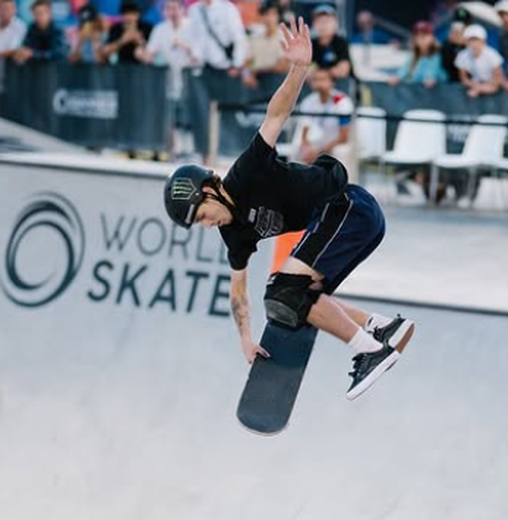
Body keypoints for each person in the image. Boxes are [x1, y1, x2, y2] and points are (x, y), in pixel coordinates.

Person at [162, 18, 415, 401]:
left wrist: (299, 67)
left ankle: (370, 351)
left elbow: (276, 116)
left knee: (285, 292)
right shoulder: (234, 234)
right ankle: (380, 327)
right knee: (294, 297)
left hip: (347, 207)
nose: (206, 224)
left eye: (201, 214)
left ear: (211, 189)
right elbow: (238, 293)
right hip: (344, 225)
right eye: (198, 224)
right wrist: (245, 339)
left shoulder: (246, 172)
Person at [298, 67, 353, 166]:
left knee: (341, 151)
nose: (319, 83)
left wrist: (320, 151)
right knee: (298, 149)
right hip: (315, 143)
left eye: (323, 79)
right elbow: (304, 132)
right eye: (316, 80)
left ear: (332, 82)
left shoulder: (342, 101)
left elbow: (344, 136)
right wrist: (306, 148)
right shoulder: (308, 101)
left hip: (334, 143)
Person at [140, 0, 195, 99]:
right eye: (168, 8)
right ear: (164, 11)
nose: (172, 12)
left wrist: (183, 46)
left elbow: (200, 55)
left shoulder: (193, 26)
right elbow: (149, 55)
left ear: (183, 9)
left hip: (193, 78)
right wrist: (141, 53)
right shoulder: (159, 29)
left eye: (175, 8)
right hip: (171, 80)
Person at [186, 0, 248, 75]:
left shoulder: (227, 8)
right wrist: (195, 56)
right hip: (204, 67)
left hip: (226, 66)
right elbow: (193, 37)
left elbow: (239, 38)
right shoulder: (194, 10)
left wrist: (237, 64)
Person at [243, 2, 289, 87]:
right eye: (265, 14)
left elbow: (281, 67)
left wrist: (255, 70)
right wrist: (247, 75)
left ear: (278, 16)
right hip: (259, 84)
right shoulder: (255, 37)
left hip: (281, 82)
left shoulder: (285, 36)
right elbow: (247, 62)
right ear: (261, 17)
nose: (269, 18)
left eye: (273, 14)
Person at [388, 21, 446, 87]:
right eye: (418, 36)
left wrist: (430, 79)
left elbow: (432, 73)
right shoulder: (412, 56)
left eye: (425, 35)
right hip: (416, 92)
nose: (421, 39)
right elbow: (403, 71)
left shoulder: (437, 54)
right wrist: (396, 78)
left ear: (432, 37)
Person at [455, 24, 503, 98]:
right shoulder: (462, 55)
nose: (474, 44)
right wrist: (476, 86)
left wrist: (479, 89)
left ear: (483, 41)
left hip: (492, 87)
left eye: (477, 40)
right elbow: (464, 79)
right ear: (466, 42)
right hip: (474, 85)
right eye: (471, 40)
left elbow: (498, 79)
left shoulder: (493, 55)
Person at [13, 0, 67, 64]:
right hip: (35, 71)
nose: (39, 17)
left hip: (57, 71)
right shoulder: (32, 28)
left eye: (41, 13)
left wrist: (33, 54)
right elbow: (26, 46)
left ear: (49, 13)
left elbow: (58, 53)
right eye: (36, 14)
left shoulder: (58, 30)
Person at [100, 1, 152, 65]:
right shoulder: (116, 29)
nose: (128, 18)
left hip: (142, 67)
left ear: (138, 15)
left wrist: (139, 41)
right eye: (125, 14)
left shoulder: (147, 28)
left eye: (132, 14)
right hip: (120, 66)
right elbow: (104, 52)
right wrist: (123, 40)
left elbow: (154, 54)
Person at [310, 4, 352, 79]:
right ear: (314, 24)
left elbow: (343, 70)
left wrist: (322, 75)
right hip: (314, 86)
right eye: (319, 21)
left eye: (327, 21)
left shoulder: (341, 42)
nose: (323, 25)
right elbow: (305, 70)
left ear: (336, 24)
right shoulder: (311, 44)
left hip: (340, 86)